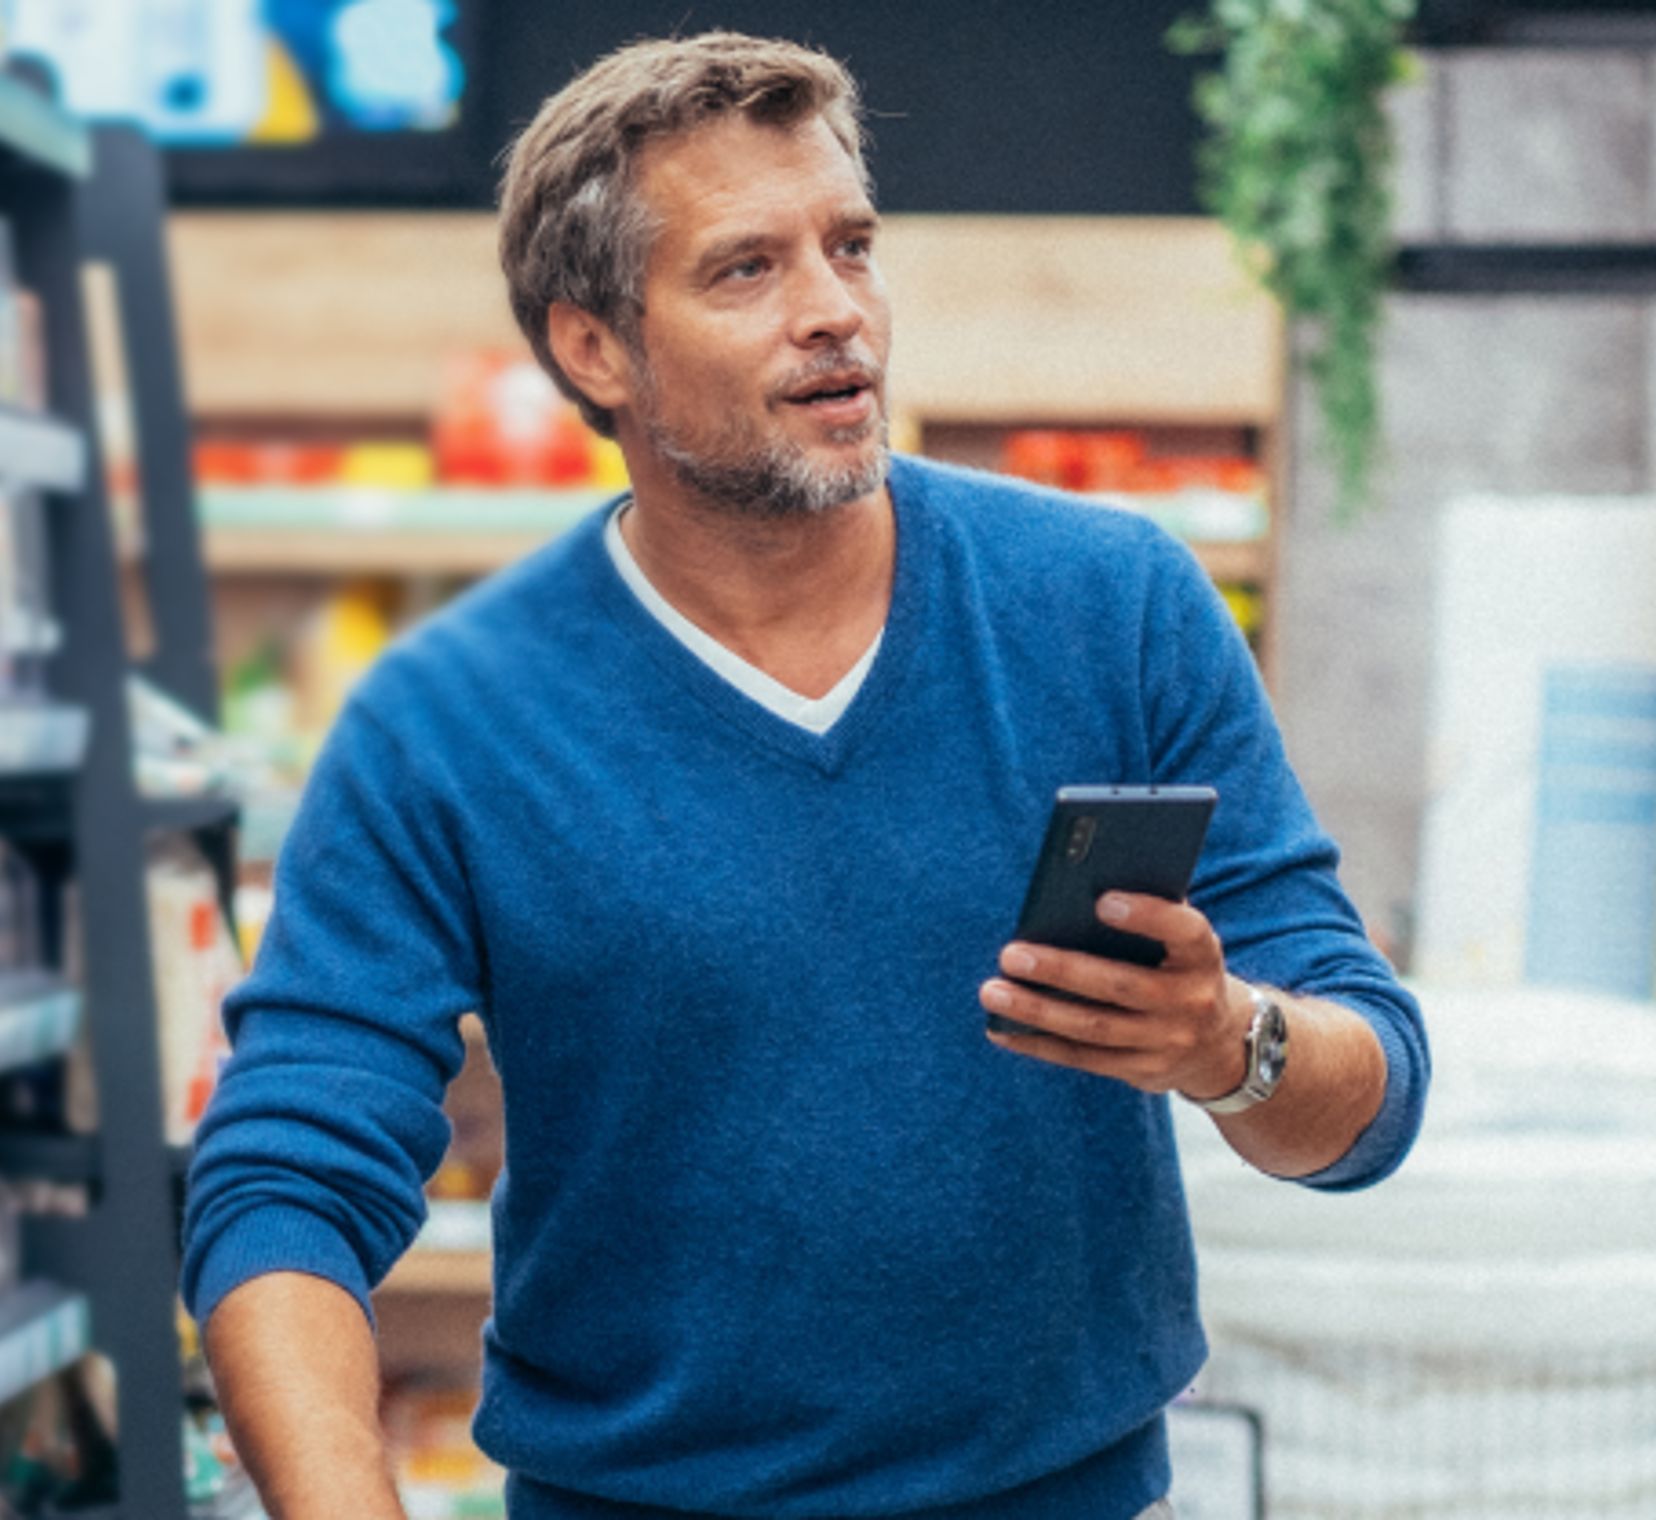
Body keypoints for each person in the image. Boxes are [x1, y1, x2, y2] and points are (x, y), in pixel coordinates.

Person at [181, 30, 1429, 1520]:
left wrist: (1232, 1042)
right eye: (746, 271)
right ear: (594, 347)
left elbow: (1371, 1098)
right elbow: (281, 1190)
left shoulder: (1113, 608)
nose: (837, 313)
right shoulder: (445, 724)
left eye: (851, 247)